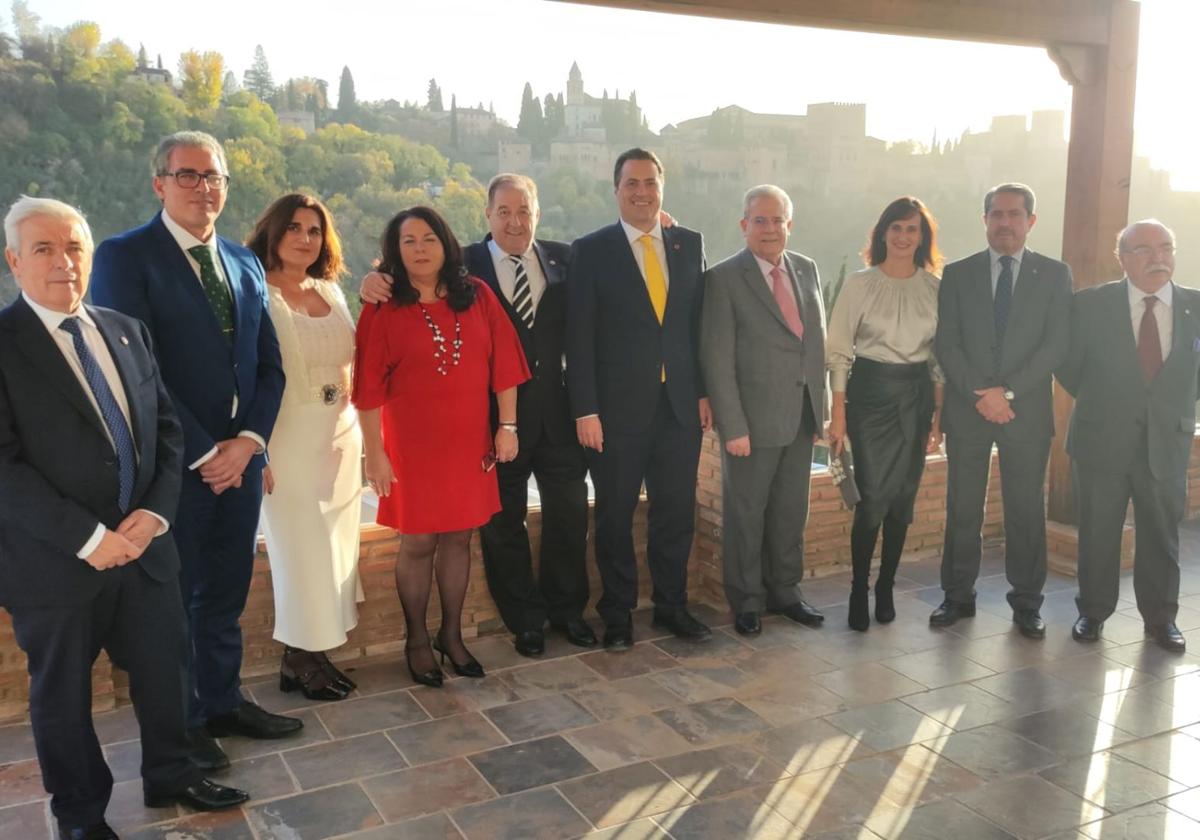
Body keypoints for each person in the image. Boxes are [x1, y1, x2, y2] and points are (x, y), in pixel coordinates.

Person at [0, 197, 248, 840]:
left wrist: (154, 517)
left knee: (167, 671)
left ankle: (173, 772)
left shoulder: (124, 329)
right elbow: (4, 470)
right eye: (45, 250)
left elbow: (164, 431)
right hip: (54, 564)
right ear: (14, 262)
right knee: (63, 701)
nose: (63, 262)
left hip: (146, 550)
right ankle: (80, 816)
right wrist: (89, 539)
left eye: (75, 247)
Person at [90, 131, 298, 771]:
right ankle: (181, 730)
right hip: (173, 470)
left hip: (243, 462)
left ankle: (222, 702)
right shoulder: (125, 257)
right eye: (188, 176)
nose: (203, 188)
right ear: (159, 184)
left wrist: (249, 443)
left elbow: (270, 365)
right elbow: (135, 371)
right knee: (173, 606)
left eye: (214, 177)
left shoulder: (243, 260)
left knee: (226, 595)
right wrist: (208, 451)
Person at [361, 176, 592, 658]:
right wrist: (371, 281)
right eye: (503, 211)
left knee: (568, 518)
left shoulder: (568, 258)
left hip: (555, 418)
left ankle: (567, 612)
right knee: (500, 528)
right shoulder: (463, 263)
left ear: (537, 213)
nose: (514, 220)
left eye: (523, 210)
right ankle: (524, 621)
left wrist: (661, 221)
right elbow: (402, 275)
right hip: (483, 430)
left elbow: (614, 269)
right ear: (487, 215)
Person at [353, 206, 529, 687]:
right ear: (396, 250)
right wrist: (375, 452)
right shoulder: (382, 305)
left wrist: (507, 426)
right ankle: (415, 639)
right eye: (408, 241)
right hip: (410, 445)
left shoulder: (478, 295)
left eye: (428, 238)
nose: (419, 249)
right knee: (417, 542)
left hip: (469, 441)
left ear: (445, 243)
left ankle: (451, 636)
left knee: (459, 537)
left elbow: (506, 365)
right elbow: (367, 388)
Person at [566, 148, 712, 651]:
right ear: (616, 190)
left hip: (680, 412)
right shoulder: (592, 249)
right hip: (615, 414)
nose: (642, 192)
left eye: (650, 182)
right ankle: (618, 615)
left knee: (675, 513)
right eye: (632, 183)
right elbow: (578, 338)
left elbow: (700, 329)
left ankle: (672, 607)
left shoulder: (688, 244)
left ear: (662, 187)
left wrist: (706, 393)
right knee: (614, 515)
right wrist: (585, 409)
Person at [933, 182, 1072, 639]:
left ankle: (1027, 602)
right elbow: (947, 343)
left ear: (1031, 221)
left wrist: (1006, 393)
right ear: (985, 220)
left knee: (1026, 510)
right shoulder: (957, 273)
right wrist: (982, 393)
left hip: (1025, 413)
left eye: (1015, 214)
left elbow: (1055, 345)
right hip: (968, 410)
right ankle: (956, 596)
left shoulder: (1054, 275)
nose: (1006, 222)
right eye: (997, 214)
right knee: (963, 507)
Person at [1059, 220, 1200, 652]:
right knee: (1099, 531)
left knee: (1161, 534)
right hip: (1102, 438)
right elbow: (1067, 367)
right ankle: (1093, 612)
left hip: (1167, 442)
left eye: (1166, 247)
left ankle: (1161, 619)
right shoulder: (1089, 305)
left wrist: (1173, 407)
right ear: (1121, 258)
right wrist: (1108, 401)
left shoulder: (1197, 306)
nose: (1157, 257)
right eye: (1143, 249)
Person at [246, 194, 362, 699]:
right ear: (273, 232)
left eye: (314, 230)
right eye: (294, 228)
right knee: (301, 553)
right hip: (286, 437)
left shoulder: (332, 292)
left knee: (334, 551)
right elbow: (245, 376)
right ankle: (300, 655)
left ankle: (308, 657)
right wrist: (257, 449)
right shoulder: (254, 292)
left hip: (340, 434)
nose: (304, 238)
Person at [700, 185, 828, 637]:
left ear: (788, 225)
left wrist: (822, 411)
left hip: (801, 418)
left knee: (791, 512)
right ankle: (747, 601)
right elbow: (717, 359)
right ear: (744, 226)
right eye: (760, 220)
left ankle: (785, 593)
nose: (770, 229)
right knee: (747, 514)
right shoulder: (723, 278)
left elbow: (815, 344)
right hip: (750, 425)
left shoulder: (807, 269)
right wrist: (732, 424)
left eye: (778, 221)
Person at [826, 197, 945, 631]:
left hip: (915, 399)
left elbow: (938, 361)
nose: (902, 236)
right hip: (870, 397)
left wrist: (938, 417)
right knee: (873, 499)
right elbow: (838, 352)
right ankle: (859, 587)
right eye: (895, 227)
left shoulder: (935, 289)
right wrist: (837, 415)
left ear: (922, 237)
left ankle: (887, 586)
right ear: (882, 234)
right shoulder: (860, 285)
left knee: (902, 501)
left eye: (912, 229)